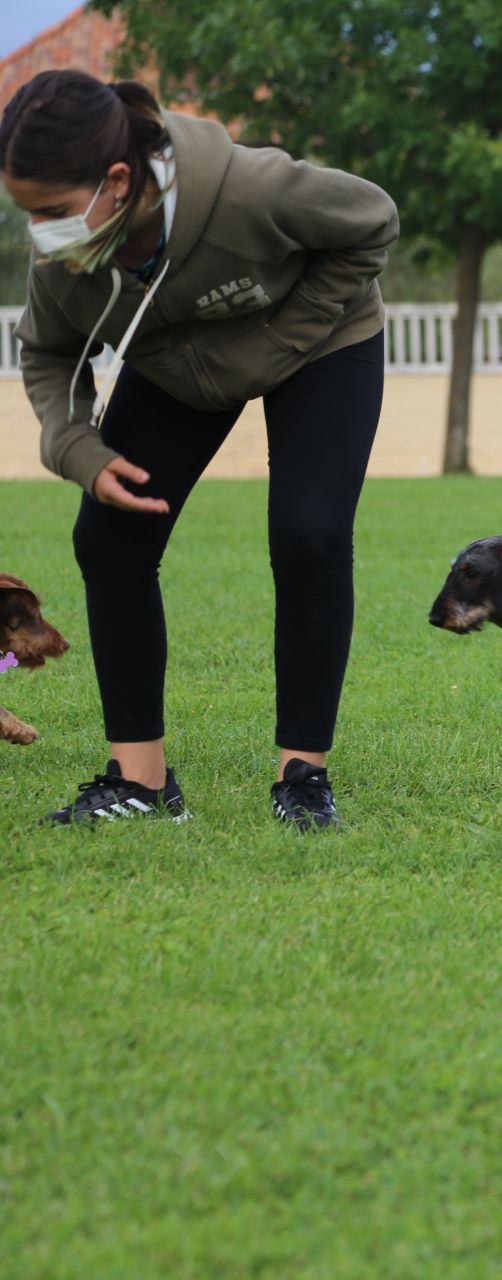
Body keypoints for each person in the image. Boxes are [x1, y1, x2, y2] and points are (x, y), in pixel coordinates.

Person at [2, 70, 398, 830]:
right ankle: (140, 783)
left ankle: (303, 778)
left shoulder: (251, 191)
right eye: (27, 213)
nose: (40, 233)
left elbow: (373, 219)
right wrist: (83, 451)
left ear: (116, 182)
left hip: (321, 340)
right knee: (110, 538)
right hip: (179, 366)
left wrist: (283, 340)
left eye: (50, 211)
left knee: (309, 532)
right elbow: (48, 356)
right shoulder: (66, 254)